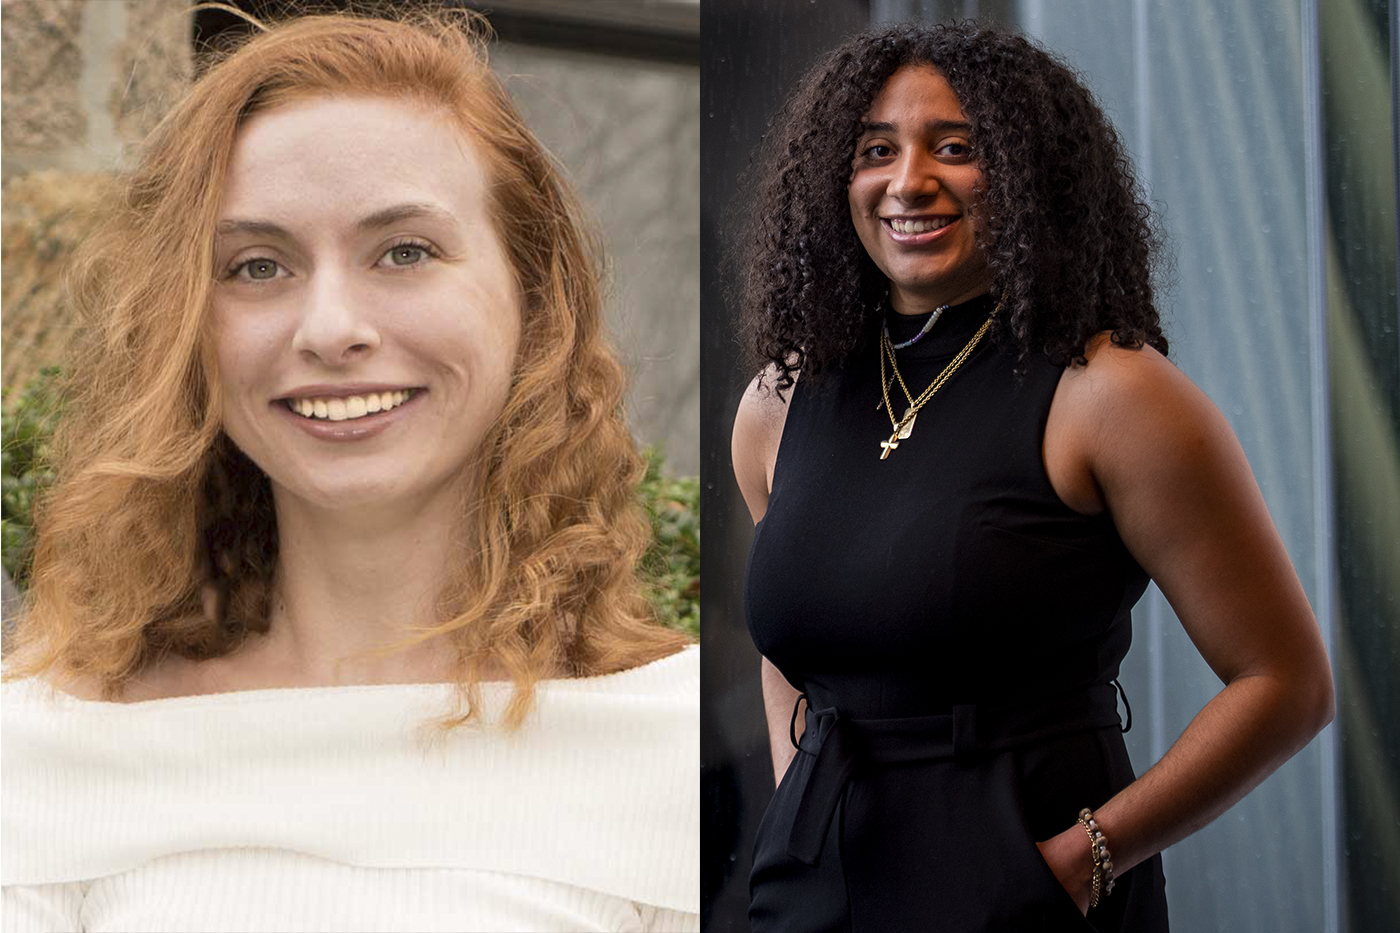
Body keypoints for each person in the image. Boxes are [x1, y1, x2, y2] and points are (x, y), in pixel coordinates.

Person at [1, 9, 698, 933]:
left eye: (404, 251)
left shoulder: (680, 746)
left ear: (536, 295)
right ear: (187, 328)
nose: (330, 328)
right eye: (257, 265)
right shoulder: (52, 746)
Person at [730, 22, 1333, 933]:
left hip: (1026, 889)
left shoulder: (1109, 394)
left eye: (957, 148)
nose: (908, 182)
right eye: (875, 152)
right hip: (813, 887)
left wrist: (1090, 858)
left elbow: (1286, 682)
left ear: (1026, 173)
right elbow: (792, 647)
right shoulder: (779, 399)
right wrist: (798, 799)